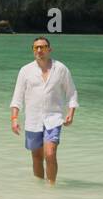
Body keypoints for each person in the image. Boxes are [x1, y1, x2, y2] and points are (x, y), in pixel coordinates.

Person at [9, 37, 78, 185]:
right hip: (32, 120)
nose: (39, 50)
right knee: (37, 157)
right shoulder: (25, 70)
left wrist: (71, 113)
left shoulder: (60, 69)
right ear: (33, 50)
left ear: (49, 49)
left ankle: (51, 187)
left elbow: (71, 92)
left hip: (54, 118)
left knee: (50, 153)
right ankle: (39, 190)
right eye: (36, 48)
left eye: (43, 47)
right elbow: (17, 96)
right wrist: (14, 118)